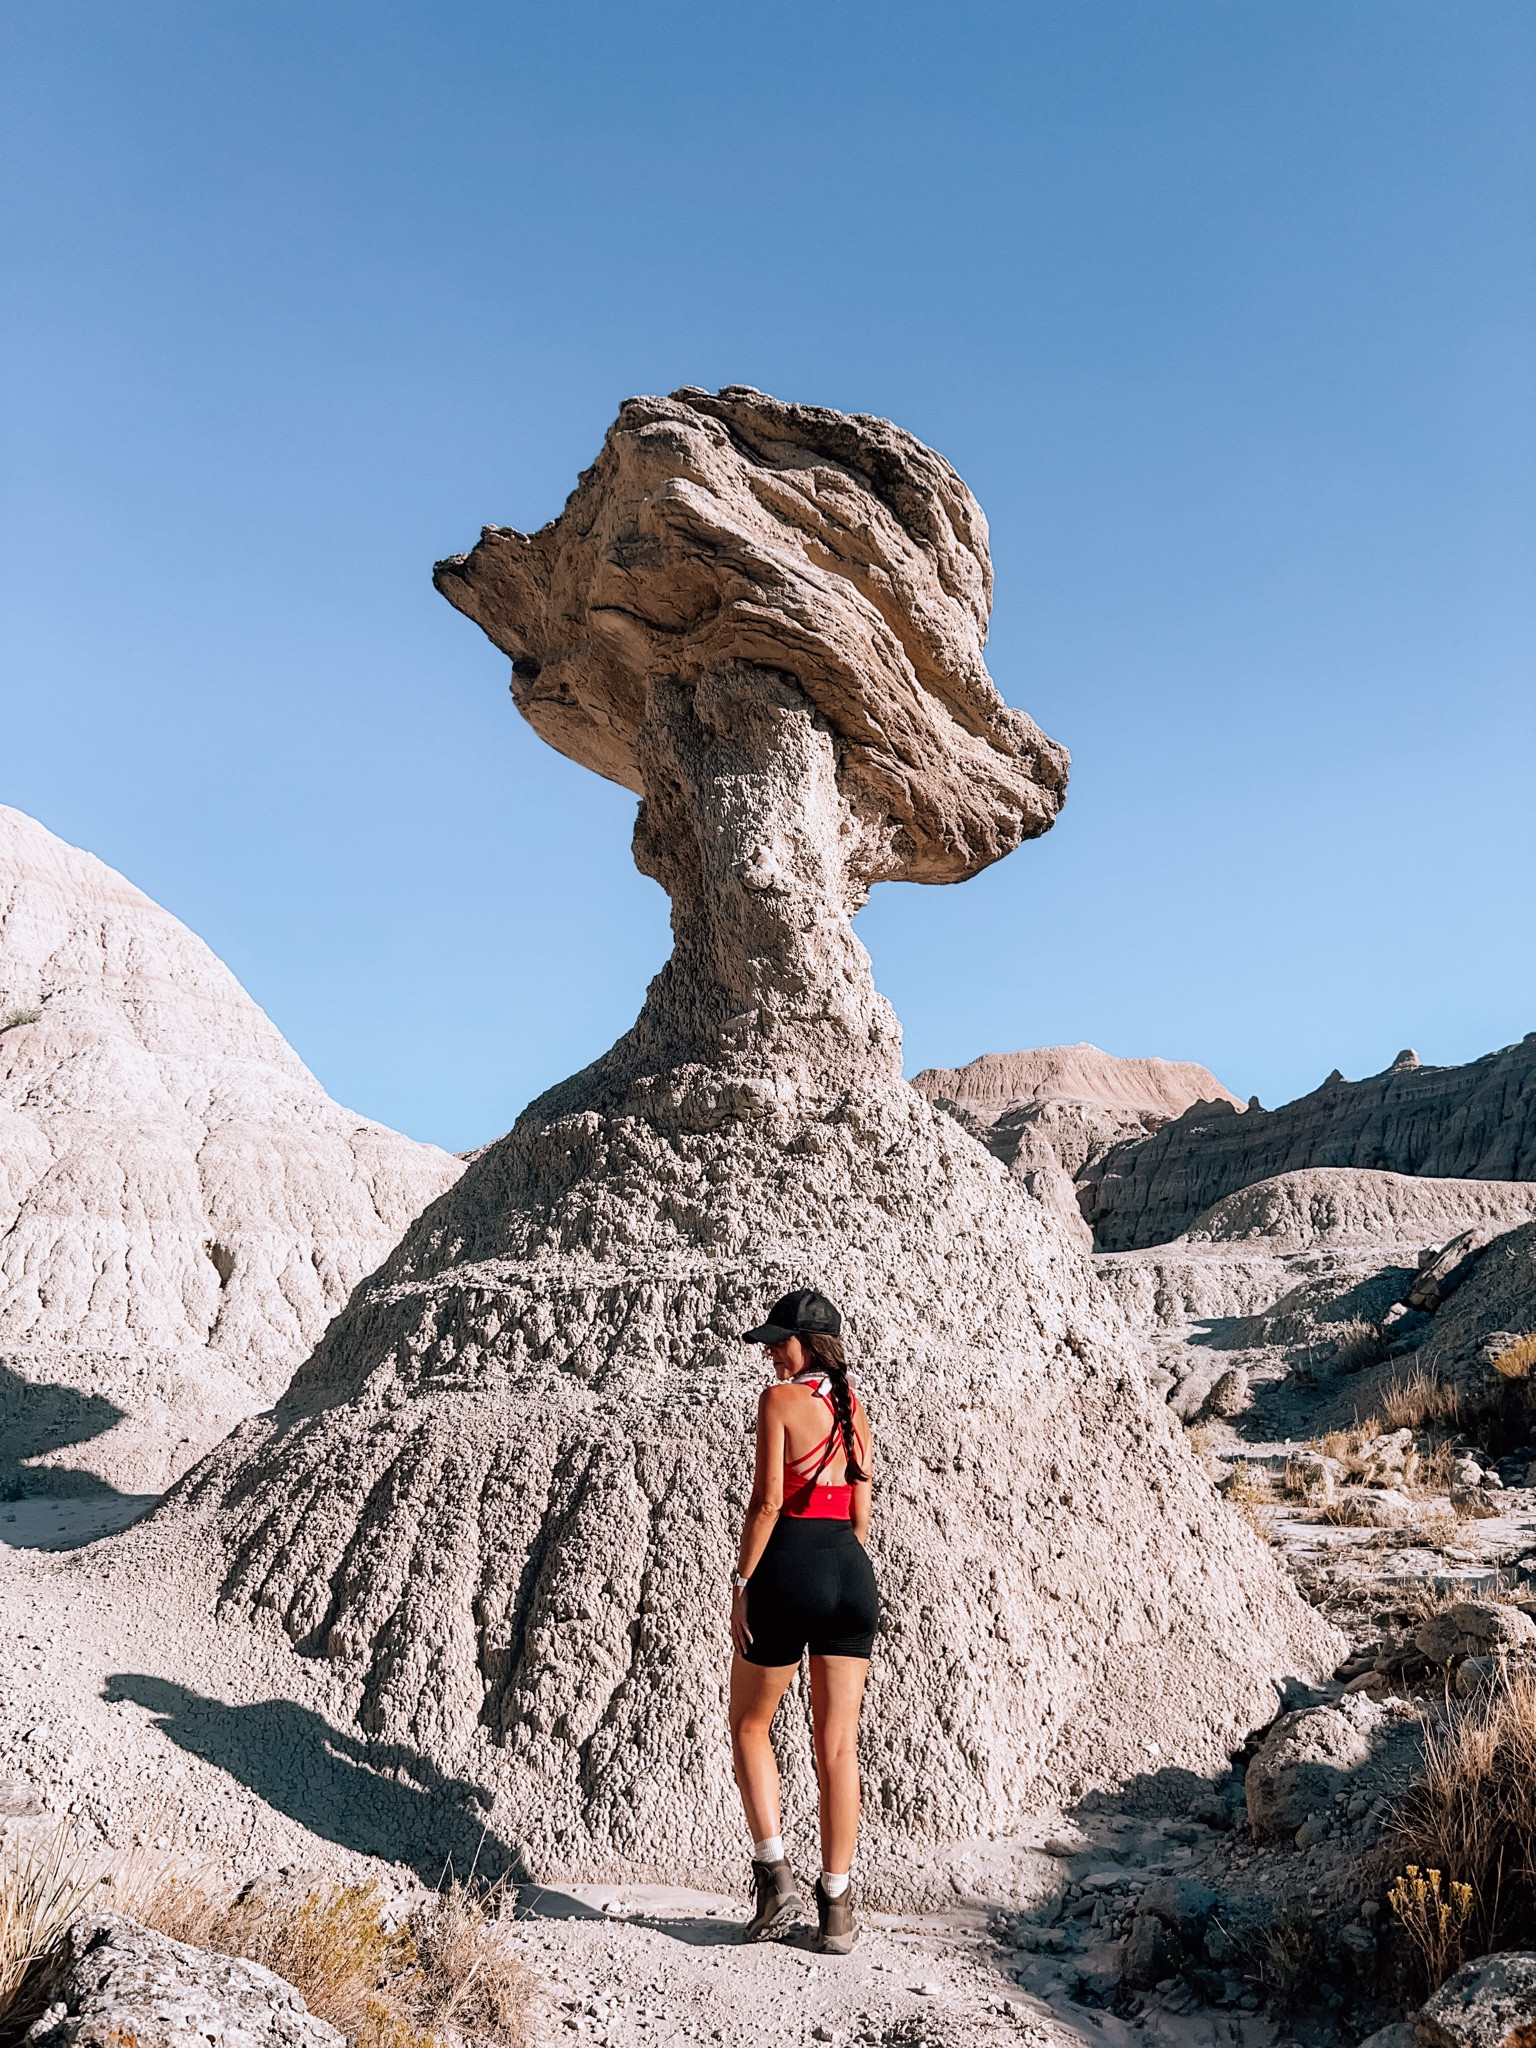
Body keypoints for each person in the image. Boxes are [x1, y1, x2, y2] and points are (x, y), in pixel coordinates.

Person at [728, 1287, 878, 1954]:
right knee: (837, 1747)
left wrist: (741, 1584)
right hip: (851, 1575)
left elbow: (765, 1502)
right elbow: (860, 1518)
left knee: (749, 1724)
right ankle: (838, 1906)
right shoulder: (853, 1409)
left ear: (808, 1343)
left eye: (777, 1342)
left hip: (788, 1566)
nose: (768, 1354)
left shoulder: (779, 1403)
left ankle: (773, 1873)